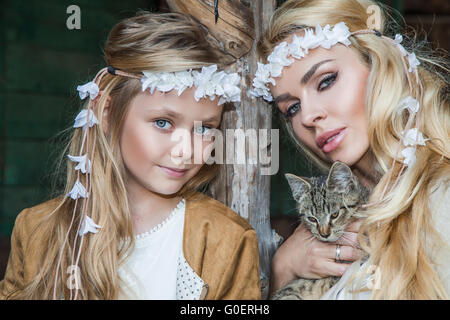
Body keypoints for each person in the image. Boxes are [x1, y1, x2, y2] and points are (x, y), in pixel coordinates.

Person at [0, 11, 261, 300]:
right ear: (108, 114)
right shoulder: (36, 230)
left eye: (205, 128)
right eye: (163, 122)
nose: (185, 151)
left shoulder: (228, 239)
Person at [252, 0, 449, 299]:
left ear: (378, 61)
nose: (307, 116)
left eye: (326, 80)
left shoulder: (441, 198)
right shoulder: (328, 228)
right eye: (292, 108)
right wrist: (284, 270)